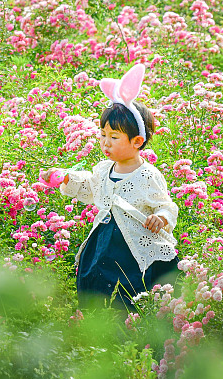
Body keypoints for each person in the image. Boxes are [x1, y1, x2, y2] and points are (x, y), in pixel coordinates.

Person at [45, 64, 179, 309]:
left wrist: (160, 217)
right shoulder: (104, 169)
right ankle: (95, 323)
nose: (106, 143)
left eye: (114, 137)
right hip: (103, 243)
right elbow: (90, 186)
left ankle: (129, 323)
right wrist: (65, 178)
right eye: (102, 135)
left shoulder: (148, 175)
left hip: (131, 246)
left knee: (130, 290)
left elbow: (166, 206)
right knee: (94, 282)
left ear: (137, 141)